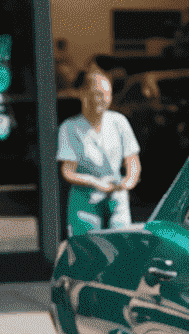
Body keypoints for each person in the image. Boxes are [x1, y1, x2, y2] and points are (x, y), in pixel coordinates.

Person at [58, 70, 139, 237]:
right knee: (87, 252)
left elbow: (133, 161)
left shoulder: (119, 121)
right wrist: (94, 182)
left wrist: (127, 183)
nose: (101, 99)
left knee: (121, 248)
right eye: (96, 94)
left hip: (116, 198)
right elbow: (67, 171)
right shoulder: (69, 128)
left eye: (106, 94)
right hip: (85, 202)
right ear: (82, 94)